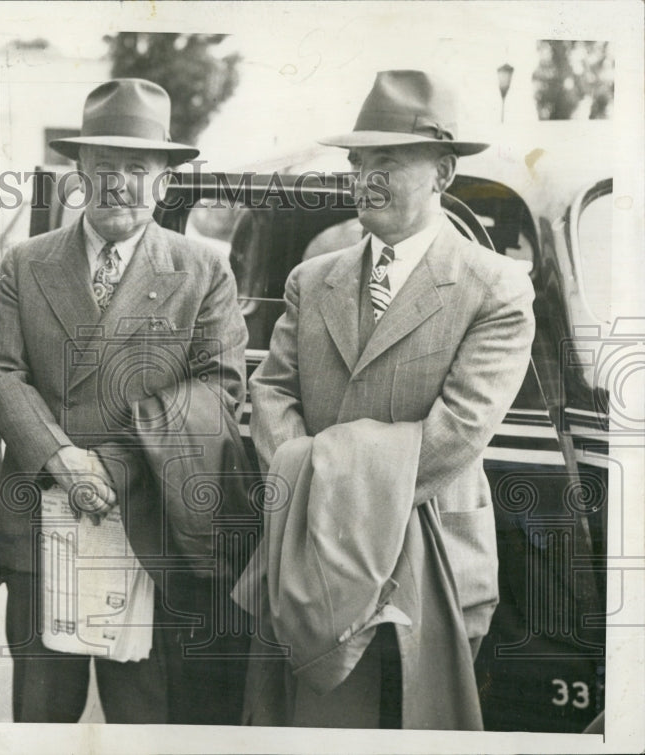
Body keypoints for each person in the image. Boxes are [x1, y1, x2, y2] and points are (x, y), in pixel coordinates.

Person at [244, 70, 536, 728]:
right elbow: (272, 392)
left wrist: (319, 481)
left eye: (389, 160)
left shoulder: (496, 290)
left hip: (428, 562)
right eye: (358, 161)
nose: (366, 177)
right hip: (307, 565)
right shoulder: (312, 278)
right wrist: (311, 493)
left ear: (444, 171)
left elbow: (456, 435)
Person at [0, 78, 251, 724]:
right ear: (80, 172)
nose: (119, 182)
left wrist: (112, 465)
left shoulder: (203, 269)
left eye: (138, 167)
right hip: (44, 521)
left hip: (147, 525)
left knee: (144, 720)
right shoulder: (25, 263)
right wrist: (62, 461)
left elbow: (218, 388)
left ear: (163, 180)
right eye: (104, 166)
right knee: (41, 717)